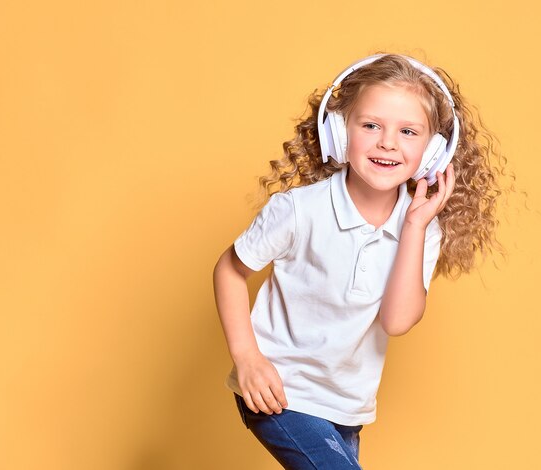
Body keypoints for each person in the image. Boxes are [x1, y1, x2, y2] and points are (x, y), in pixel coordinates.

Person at [212, 53, 510, 469]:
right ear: (339, 131)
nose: (387, 142)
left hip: (348, 405)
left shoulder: (423, 228)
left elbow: (397, 321)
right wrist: (247, 358)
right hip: (280, 392)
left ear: (433, 154)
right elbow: (230, 268)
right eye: (371, 126)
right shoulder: (299, 210)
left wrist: (415, 226)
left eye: (408, 131)